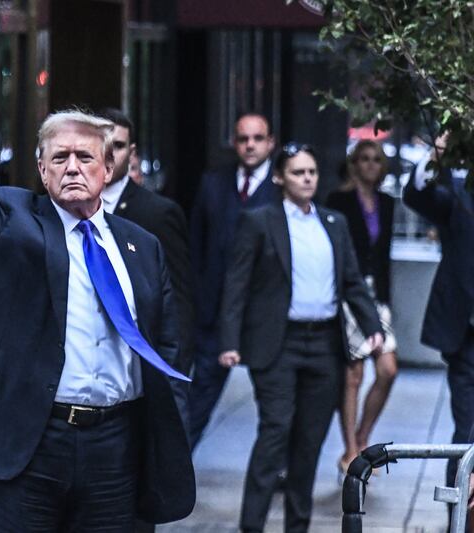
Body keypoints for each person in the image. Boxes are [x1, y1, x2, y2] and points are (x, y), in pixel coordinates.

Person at [0, 86, 195, 530]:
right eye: (60, 158)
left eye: (85, 157)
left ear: (109, 167)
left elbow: (168, 343)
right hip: (27, 442)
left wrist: (167, 421)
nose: (73, 167)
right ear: (42, 170)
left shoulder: (142, 245)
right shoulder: (10, 215)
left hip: (116, 447)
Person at [218, 143, 383, 532]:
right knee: (275, 432)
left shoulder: (333, 222)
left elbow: (353, 281)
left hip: (324, 344)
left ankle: (298, 526)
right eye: (297, 172)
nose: (307, 178)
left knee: (309, 443)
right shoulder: (259, 220)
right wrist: (229, 341)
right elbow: (236, 284)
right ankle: (252, 526)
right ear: (279, 177)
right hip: (278, 344)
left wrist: (372, 324)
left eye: (311, 172)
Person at [188, 112, 279, 447]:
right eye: (243, 138)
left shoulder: (282, 188)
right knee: (197, 400)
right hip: (213, 314)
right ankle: (171, 483)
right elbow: (196, 247)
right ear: (234, 143)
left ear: (270, 143)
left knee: (274, 408)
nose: (250, 145)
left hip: (263, 316)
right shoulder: (213, 183)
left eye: (257, 138)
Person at [403, 133, 474, 504]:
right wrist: (439, 149)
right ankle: (458, 522)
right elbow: (417, 193)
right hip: (467, 337)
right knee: (470, 435)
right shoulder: (460, 195)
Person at [99, 108, 194, 385]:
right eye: (103, 144)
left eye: (117, 145)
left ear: (131, 152)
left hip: (142, 361)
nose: (109, 154)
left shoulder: (158, 213)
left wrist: (176, 368)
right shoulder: (67, 205)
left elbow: (179, 298)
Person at [326, 140, 399, 476]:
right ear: (354, 163)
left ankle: (363, 435)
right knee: (353, 374)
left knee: (387, 370)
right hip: (348, 293)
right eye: (364, 159)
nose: (370, 165)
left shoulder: (386, 202)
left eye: (376, 159)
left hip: (377, 295)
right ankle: (351, 451)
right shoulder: (337, 201)